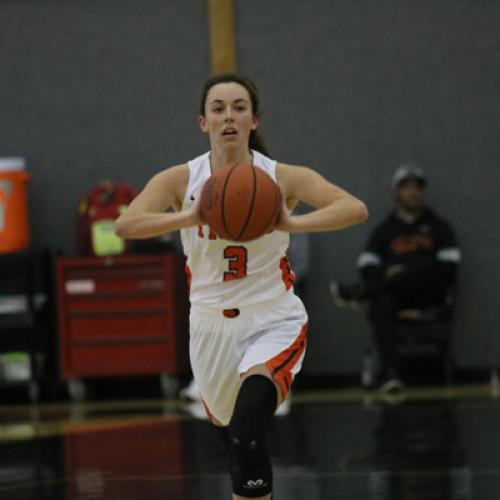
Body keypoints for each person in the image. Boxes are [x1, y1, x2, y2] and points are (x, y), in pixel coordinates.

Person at [115, 72, 367, 500]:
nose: (228, 116)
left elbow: (354, 208)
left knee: (249, 431)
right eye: (218, 109)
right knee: (234, 445)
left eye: (238, 108)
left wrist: (292, 222)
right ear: (203, 122)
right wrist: (190, 216)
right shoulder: (180, 179)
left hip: (272, 319)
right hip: (210, 327)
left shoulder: (281, 178)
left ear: (254, 121)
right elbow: (126, 224)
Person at [330, 163, 461, 393]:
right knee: (382, 300)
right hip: (395, 298)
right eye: (407, 187)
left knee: (413, 271)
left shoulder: (439, 227)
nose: (413, 192)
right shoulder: (384, 231)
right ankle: (391, 375)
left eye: (417, 188)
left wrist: (405, 267)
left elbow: (449, 267)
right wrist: (392, 275)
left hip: (428, 293)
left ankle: (360, 293)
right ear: (396, 193)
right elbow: (367, 265)